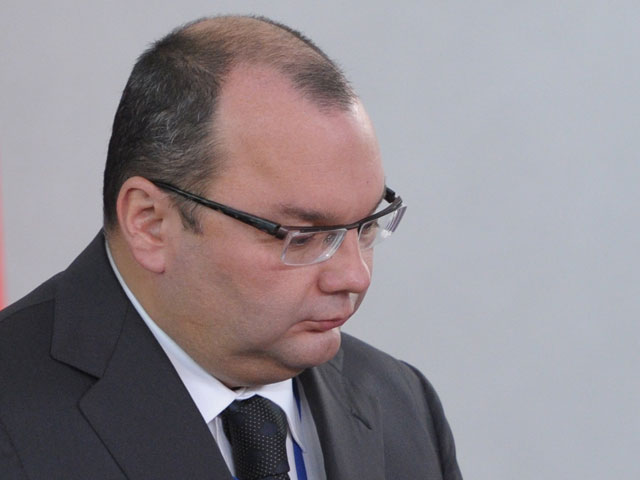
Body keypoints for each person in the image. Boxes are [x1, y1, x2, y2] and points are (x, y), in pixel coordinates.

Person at [0, 15, 462, 480]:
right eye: (302, 236)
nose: (355, 276)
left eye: (365, 227)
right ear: (150, 223)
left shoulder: (404, 405)